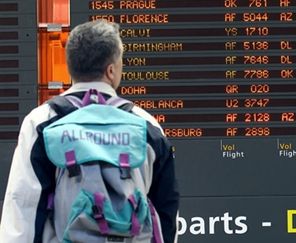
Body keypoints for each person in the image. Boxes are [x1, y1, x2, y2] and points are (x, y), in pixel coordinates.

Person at [0, 20, 179, 243]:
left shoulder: (41, 122)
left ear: (70, 68)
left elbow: (23, 208)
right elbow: (165, 214)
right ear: (111, 70)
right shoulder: (146, 126)